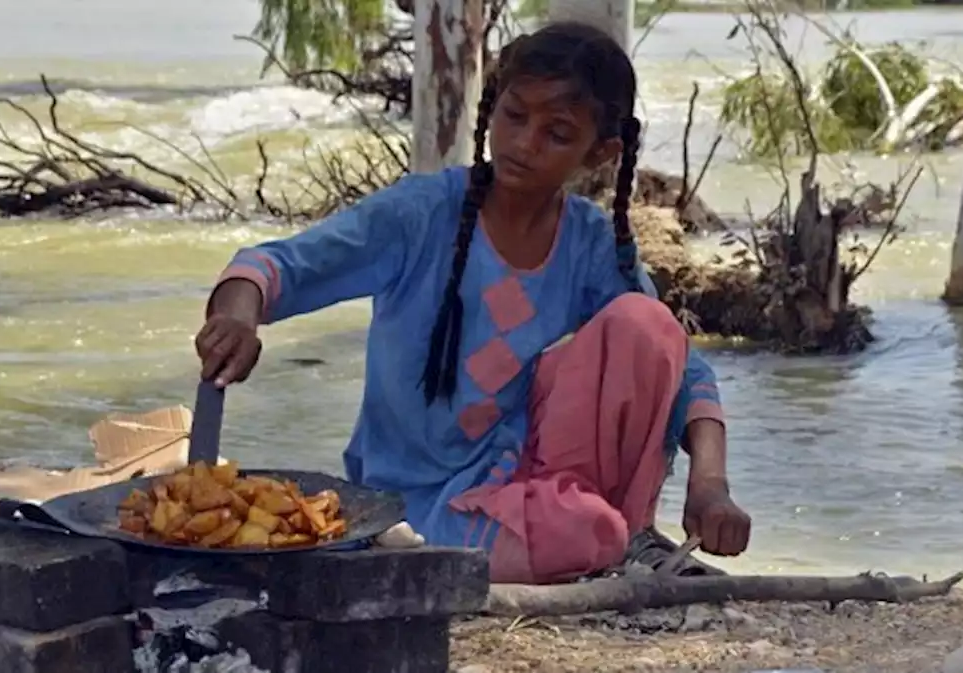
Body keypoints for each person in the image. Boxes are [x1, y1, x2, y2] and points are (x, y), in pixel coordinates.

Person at [194, 22, 751, 584]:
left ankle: (627, 538)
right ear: (494, 107)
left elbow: (685, 371)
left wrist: (710, 485)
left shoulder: (591, 244)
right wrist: (237, 317)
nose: (523, 143)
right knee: (584, 532)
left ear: (600, 153)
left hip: (527, 479)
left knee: (645, 323)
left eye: (556, 133)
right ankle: (606, 545)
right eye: (513, 117)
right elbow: (273, 267)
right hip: (414, 507)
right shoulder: (418, 215)